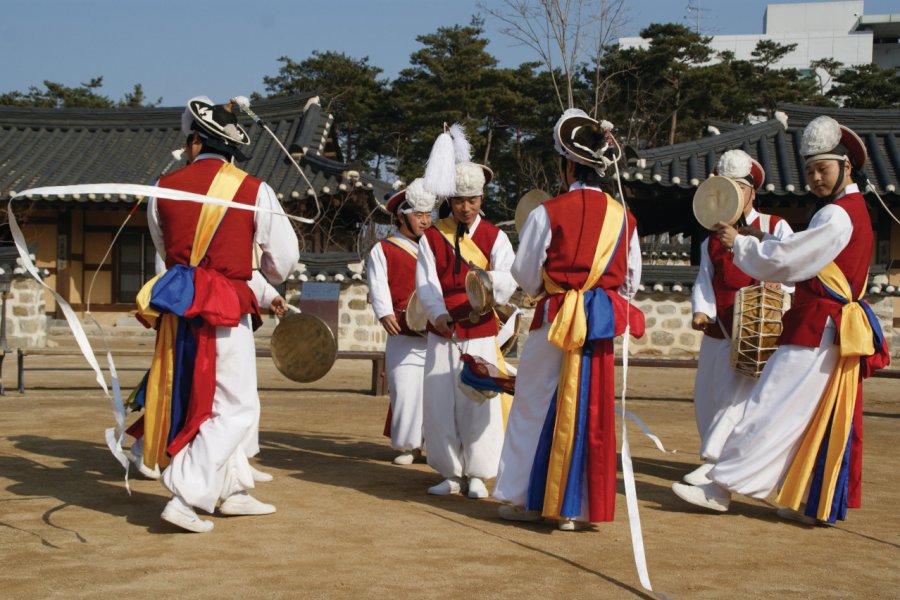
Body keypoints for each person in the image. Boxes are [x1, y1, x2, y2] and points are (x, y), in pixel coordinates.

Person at [672, 115, 889, 524]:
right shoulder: (848, 212)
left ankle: (721, 487)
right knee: (811, 415)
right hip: (822, 325)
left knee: (768, 406)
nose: (814, 179)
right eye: (809, 171)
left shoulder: (838, 216)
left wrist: (742, 246)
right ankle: (812, 499)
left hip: (816, 324)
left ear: (846, 166)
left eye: (821, 169)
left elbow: (788, 260)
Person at [141, 96, 299, 532]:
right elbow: (282, 259)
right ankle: (187, 491)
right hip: (226, 306)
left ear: (195, 142)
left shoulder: (162, 187)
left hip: (180, 307)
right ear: (232, 148)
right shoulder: (253, 188)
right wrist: (257, 273)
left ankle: (229, 491)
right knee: (236, 407)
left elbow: (165, 249)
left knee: (201, 399)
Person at [494, 110, 643, 531]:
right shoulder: (625, 219)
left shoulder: (548, 212)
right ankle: (575, 507)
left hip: (554, 317)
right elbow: (631, 282)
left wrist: (554, 288)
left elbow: (524, 273)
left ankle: (522, 497)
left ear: (568, 165)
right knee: (589, 408)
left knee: (533, 403)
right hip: (596, 323)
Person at [684, 150, 793, 486]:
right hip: (719, 328)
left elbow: (791, 268)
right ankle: (715, 457)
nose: (731, 192)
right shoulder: (710, 239)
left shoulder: (775, 227)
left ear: (751, 192)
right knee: (708, 396)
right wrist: (701, 309)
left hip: (755, 330)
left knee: (738, 399)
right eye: (724, 185)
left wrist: (779, 290)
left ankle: (717, 464)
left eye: (738, 187)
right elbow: (705, 277)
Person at [416, 160, 516, 499]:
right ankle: (450, 472)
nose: (465, 207)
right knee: (440, 402)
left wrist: (485, 289)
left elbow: (510, 275)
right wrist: (438, 312)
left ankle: (478, 473)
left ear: (482, 198)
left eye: (472, 199)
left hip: (480, 326)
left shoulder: (495, 236)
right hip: (444, 329)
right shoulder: (432, 236)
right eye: (459, 200)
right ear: (449, 200)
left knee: (479, 399)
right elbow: (426, 282)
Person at [367, 178, 435, 465]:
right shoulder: (383, 249)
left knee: (436, 391)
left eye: (427, 214)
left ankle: (436, 444)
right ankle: (409, 445)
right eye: (418, 215)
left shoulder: (437, 247)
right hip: (403, 331)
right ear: (401, 215)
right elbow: (377, 283)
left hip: (436, 331)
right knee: (405, 389)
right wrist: (384, 312)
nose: (424, 220)